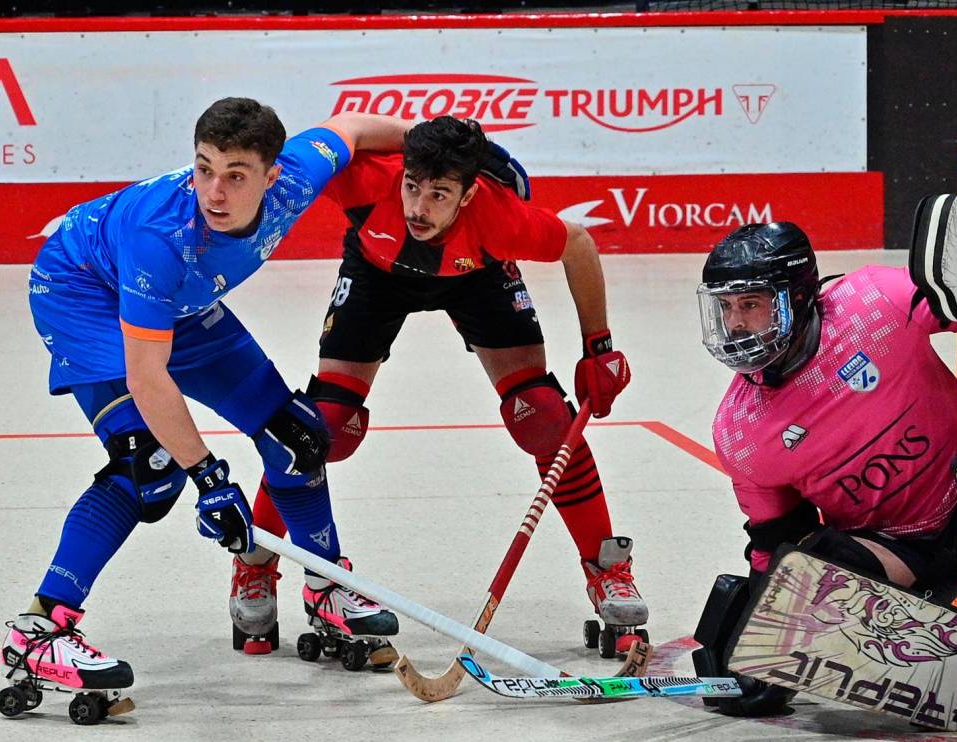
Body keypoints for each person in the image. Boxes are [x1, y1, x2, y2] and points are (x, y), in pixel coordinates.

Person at [1, 98, 409, 719]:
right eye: (203, 169)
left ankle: (327, 585)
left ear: (274, 177)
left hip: (182, 303)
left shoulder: (300, 173)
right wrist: (210, 478)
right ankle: (41, 630)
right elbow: (147, 375)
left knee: (296, 437)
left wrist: (449, 147)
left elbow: (350, 128)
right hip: (84, 292)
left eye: (236, 175)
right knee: (152, 468)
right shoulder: (158, 236)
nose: (214, 191)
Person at [232, 116, 646, 655]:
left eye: (439, 194)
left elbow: (579, 244)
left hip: (477, 276)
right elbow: (319, 140)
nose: (418, 208)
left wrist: (599, 346)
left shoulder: (501, 217)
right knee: (323, 426)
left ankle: (607, 569)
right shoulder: (363, 181)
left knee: (544, 416)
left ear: (470, 194)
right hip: (377, 274)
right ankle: (255, 563)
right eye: (412, 186)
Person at [690, 222, 957, 731]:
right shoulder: (740, 429)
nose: (736, 324)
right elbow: (775, 542)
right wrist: (766, 640)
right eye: (727, 308)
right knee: (807, 577)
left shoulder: (874, 301)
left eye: (752, 304)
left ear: (799, 296)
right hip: (893, 553)